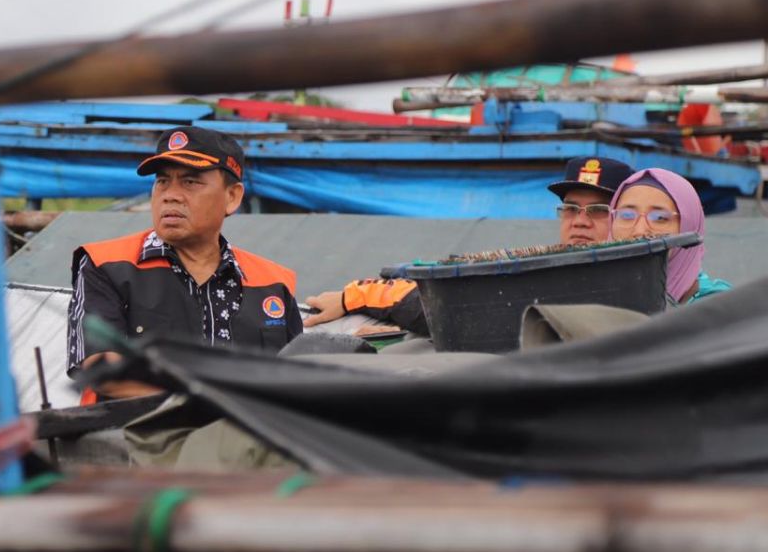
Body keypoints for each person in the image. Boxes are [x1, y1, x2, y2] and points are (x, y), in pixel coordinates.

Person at [67, 123, 303, 395]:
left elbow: (296, 379)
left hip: (247, 436)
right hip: (137, 436)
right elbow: (102, 372)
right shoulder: (105, 265)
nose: (170, 196)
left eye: (190, 182)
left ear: (232, 197)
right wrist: (213, 403)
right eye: (162, 182)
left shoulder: (274, 283)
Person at [302, 156, 633, 329]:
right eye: (571, 208)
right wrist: (358, 295)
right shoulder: (534, 265)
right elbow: (459, 295)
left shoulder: (638, 280)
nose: (580, 220)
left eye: (598, 210)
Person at [608, 167, 731, 304]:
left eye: (659, 218)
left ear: (688, 226)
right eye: (627, 215)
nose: (640, 231)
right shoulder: (594, 295)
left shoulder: (720, 307)